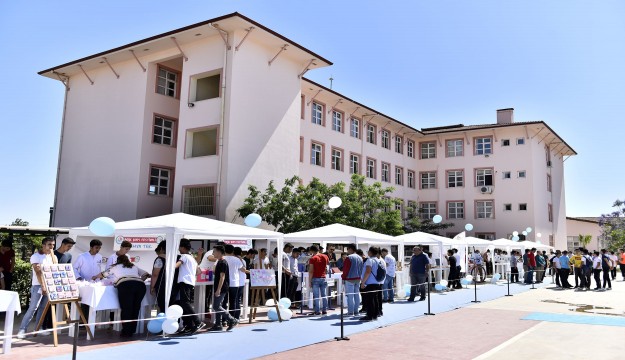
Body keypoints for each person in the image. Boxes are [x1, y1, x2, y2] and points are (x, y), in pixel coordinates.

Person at [95, 255, 149, 337]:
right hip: (140, 286)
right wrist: (139, 280)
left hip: (126, 285)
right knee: (135, 308)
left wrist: (94, 277)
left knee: (127, 309)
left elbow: (103, 275)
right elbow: (146, 274)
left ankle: (126, 332)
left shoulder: (115, 266)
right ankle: (132, 330)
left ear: (118, 261)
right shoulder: (133, 266)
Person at [17, 237, 57, 339]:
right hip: (38, 285)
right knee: (33, 308)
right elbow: (38, 272)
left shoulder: (54, 257)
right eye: (49, 245)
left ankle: (38, 328)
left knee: (43, 308)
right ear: (43, 245)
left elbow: (55, 271)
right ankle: (22, 329)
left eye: (53, 245)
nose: (51, 247)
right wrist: (43, 285)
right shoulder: (36, 256)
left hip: (49, 285)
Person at [175, 238, 204, 334]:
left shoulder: (183, 256)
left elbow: (177, 265)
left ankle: (198, 322)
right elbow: (198, 272)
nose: (178, 249)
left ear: (182, 247)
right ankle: (189, 325)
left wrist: (170, 266)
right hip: (190, 282)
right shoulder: (192, 258)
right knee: (184, 304)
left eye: (179, 247)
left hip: (185, 281)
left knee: (185, 303)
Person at [209, 245, 238, 331]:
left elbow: (222, 277)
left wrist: (218, 290)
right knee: (218, 306)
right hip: (219, 286)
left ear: (219, 252)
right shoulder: (219, 261)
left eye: (214, 251)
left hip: (221, 287)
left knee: (216, 306)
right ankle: (218, 324)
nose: (213, 253)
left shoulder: (223, 262)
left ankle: (232, 319)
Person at [360, 247, 382, 321]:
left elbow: (368, 271)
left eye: (368, 251)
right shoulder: (378, 260)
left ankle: (369, 316)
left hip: (370, 282)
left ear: (370, 252)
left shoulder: (370, 260)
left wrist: (363, 282)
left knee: (369, 300)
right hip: (377, 282)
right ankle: (375, 315)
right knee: (375, 299)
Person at [341, 244, 363, 316]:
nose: (347, 251)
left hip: (349, 279)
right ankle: (356, 311)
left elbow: (345, 269)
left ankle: (350, 312)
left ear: (350, 249)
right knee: (356, 295)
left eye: (348, 249)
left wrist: (343, 277)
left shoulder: (349, 258)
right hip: (358, 278)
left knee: (350, 296)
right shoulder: (360, 258)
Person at [308, 245, 329, 315]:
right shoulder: (325, 256)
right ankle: (324, 309)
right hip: (323, 277)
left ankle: (317, 311)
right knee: (324, 295)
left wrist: (309, 281)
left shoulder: (312, 258)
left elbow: (311, 271)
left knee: (316, 296)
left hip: (315, 278)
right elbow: (327, 267)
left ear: (311, 251)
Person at [233, 247, 247, 320]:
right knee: (237, 300)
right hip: (241, 282)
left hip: (236, 282)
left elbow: (243, 269)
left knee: (234, 300)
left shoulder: (235, 260)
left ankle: (235, 317)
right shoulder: (243, 260)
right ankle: (237, 316)